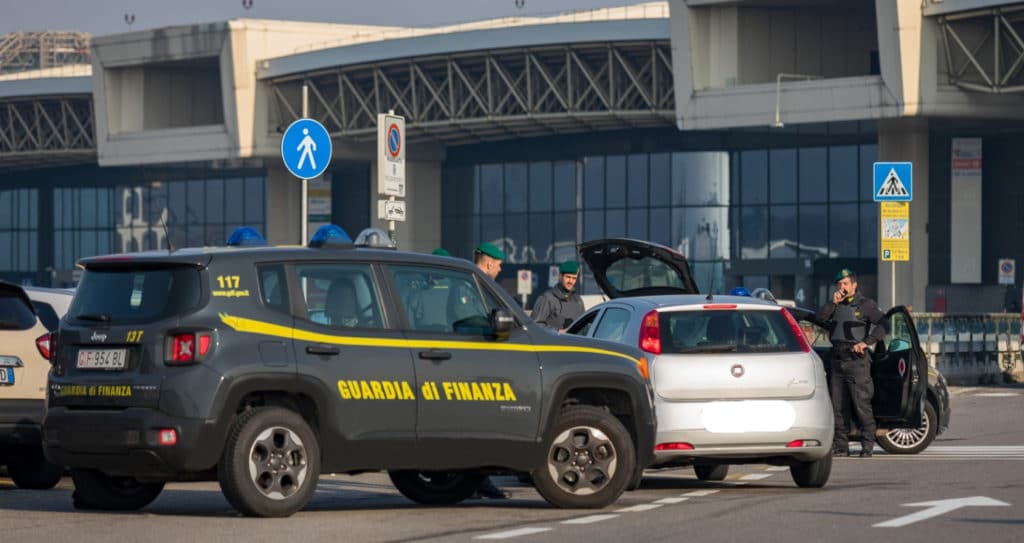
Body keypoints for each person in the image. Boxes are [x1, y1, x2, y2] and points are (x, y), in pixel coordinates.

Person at [816, 268, 886, 458]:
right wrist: (832, 303)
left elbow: (884, 324)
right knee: (838, 406)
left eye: (845, 283)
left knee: (861, 405)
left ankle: (867, 445)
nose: (842, 287)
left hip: (857, 360)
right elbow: (819, 318)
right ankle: (841, 446)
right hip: (837, 360)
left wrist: (867, 342)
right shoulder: (834, 305)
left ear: (854, 285)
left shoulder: (866, 304)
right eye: (839, 284)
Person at [470, 241, 509, 499]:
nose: (500, 269)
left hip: (479, 363)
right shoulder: (472, 285)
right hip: (474, 365)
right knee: (477, 426)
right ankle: (477, 482)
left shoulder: (477, 284)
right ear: (488, 263)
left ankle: (477, 482)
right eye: (498, 265)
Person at [532, 260, 585, 332]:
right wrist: (558, 331)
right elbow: (535, 325)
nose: (571, 281)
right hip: (553, 339)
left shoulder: (578, 300)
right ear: (560, 276)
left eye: (574, 278)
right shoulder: (547, 298)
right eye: (568, 277)